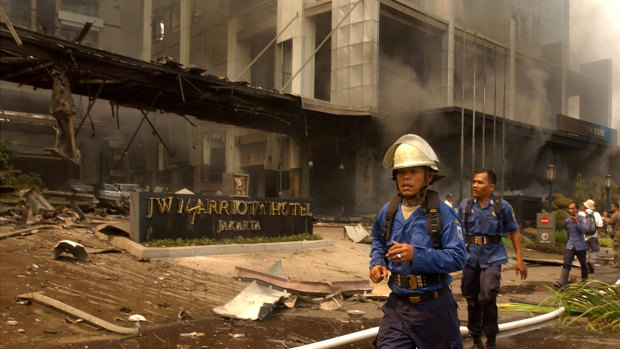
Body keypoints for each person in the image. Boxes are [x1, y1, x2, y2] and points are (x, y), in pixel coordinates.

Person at [369, 134, 466, 349]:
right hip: (398, 306)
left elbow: (458, 257)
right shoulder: (389, 211)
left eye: (413, 171)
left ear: (429, 177)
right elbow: (378, 239)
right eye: (401, 172)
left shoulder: (443, 213)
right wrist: (377, 263)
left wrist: (417, 254)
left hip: (435, 308)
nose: (406, 177)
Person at [458, 169, 527, 349]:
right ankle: (476, 339)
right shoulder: (465, 205)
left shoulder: (502, 207)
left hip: (493, 257)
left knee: (488, 296)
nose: (475, 185)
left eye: (480, 182)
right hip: (470, 258)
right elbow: (456, 232)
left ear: (491, 186)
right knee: (471, 299)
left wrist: (520, 260)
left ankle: (491, 338)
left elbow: (513, 231)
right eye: (473, 181)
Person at [557, 201, 588, 287]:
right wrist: (568, 243)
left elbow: (584, 230)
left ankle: (584, 283)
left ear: (577, 209)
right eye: (569, 208)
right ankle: (563, 282)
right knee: (566, 263)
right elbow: (568, 233)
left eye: (572, 208)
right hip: (570, 245)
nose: (570, 210)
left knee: (583, 264)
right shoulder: (567, 220)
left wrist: (577, 221)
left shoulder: (582, 219)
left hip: (580, 245)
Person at [579, 199, 603, 273]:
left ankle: (586, 265)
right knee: (595, 249)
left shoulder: (581, 214)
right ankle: (592, 262)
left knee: (585, 250)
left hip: (584, 236)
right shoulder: (597, 214)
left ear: (585, 206)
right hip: (594, 236)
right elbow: (600, 225)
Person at [603, 202, 620, 268]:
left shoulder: (615, 215)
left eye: (612, 207)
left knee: (616, 248)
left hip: (617, 233)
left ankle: (617, 263)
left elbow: (608, 222)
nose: (611, 208)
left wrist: (605, 216)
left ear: (616, 207)